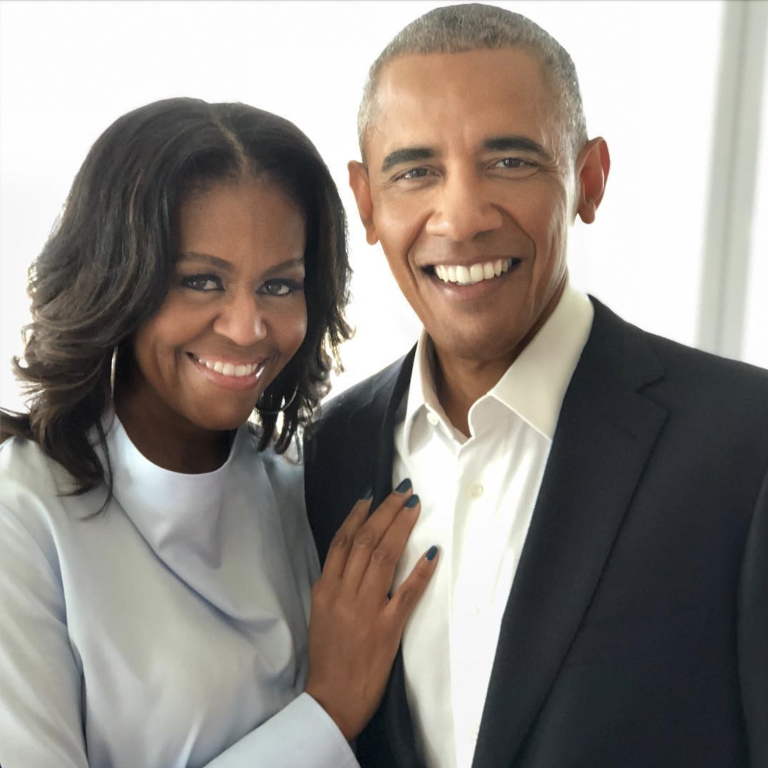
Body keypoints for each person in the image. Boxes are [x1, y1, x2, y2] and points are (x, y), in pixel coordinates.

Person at [304, 5, 768, 768]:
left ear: (588, 181)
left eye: (510, 162)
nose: (460, 217)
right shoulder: (328, 456)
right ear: (366, 202)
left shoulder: (745, 446)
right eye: (416, 170)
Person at [0, 97, 439, 768]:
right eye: (201, 281)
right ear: (114, 279)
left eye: (280, 286)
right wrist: (325, 715)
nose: (246, 328)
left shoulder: (301, 486)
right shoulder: (21, 515)